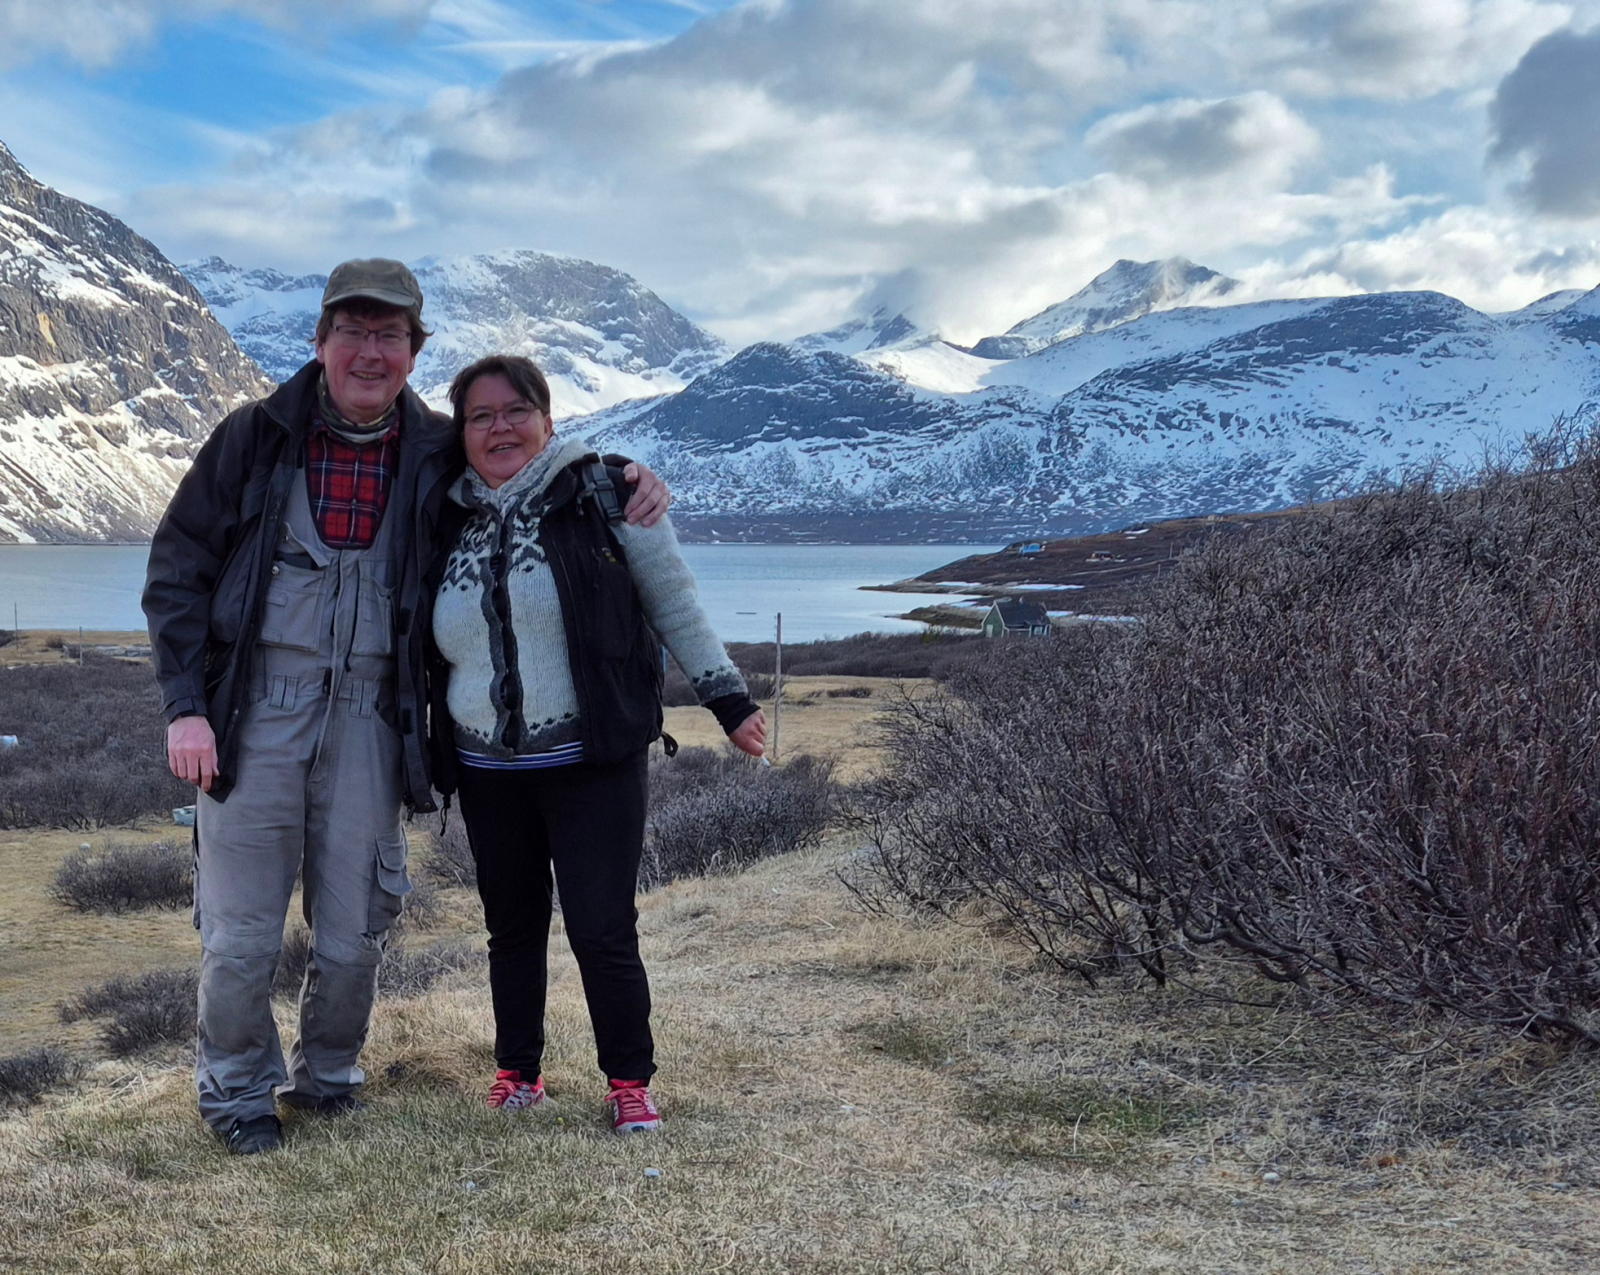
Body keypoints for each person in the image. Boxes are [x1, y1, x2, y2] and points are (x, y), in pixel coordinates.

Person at [142, 261, 669, 1156]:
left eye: (389, 335)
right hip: (254, 717)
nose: (370, 351)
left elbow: (526, 462)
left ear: (414, 352)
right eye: (352, 330)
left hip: (371, 719)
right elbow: (176, 571)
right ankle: (237, 1096)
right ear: (320, 341)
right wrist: (185, 707)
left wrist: (621, 476)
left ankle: (328, 1079)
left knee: (355, 930)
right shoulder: (253, 437)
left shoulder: (436, 447)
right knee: (239, 935)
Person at [426, 353, 766, 1134]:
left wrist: (728, 699)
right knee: (511, 928)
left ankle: (629, 1081)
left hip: (592, 758)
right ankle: (518, 1073)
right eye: (480, 416)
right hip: (485, 766)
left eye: (517, 410)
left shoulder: (605, 494)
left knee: (602, 927)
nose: (500, 427)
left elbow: (674, 600)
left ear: (548, 420)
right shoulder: (443, 514)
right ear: (461, 432)